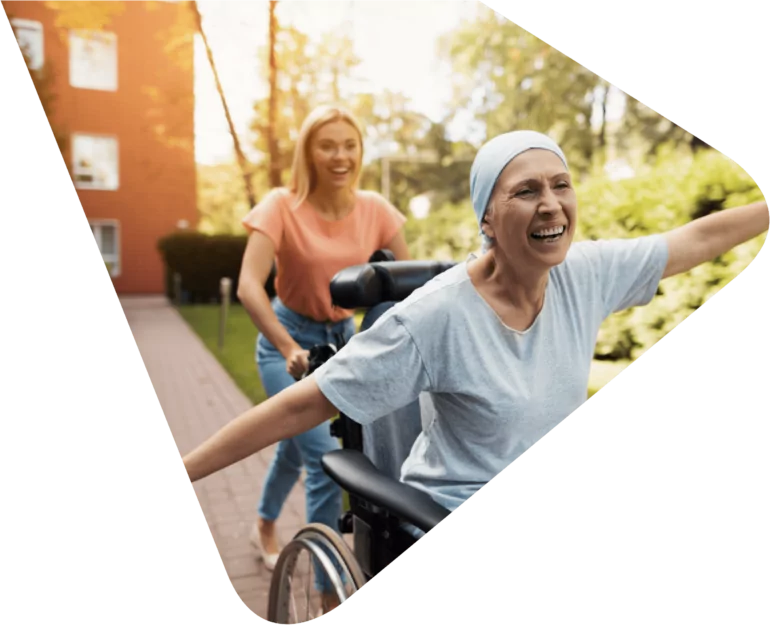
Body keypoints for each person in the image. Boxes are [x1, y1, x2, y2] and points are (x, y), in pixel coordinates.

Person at [183, 128, 768, 561]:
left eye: (561, 185)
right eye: (526, 191)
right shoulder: (435, 316)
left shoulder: (584, 273)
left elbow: (696, 238)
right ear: (487, 219)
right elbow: (304, 402)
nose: (550, 203)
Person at [234, 104, 410, 612]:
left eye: (349, 144)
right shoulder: (280, 205)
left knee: (296, 448)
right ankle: (329, 598)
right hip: (285, 343)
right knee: (323, 460)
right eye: (327, 145)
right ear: (309, 153)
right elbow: (250, 286)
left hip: (343, 342)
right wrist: (288, 348)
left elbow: (407, 282)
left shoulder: (375, 208)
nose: (340, 155)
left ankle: (264, 524)